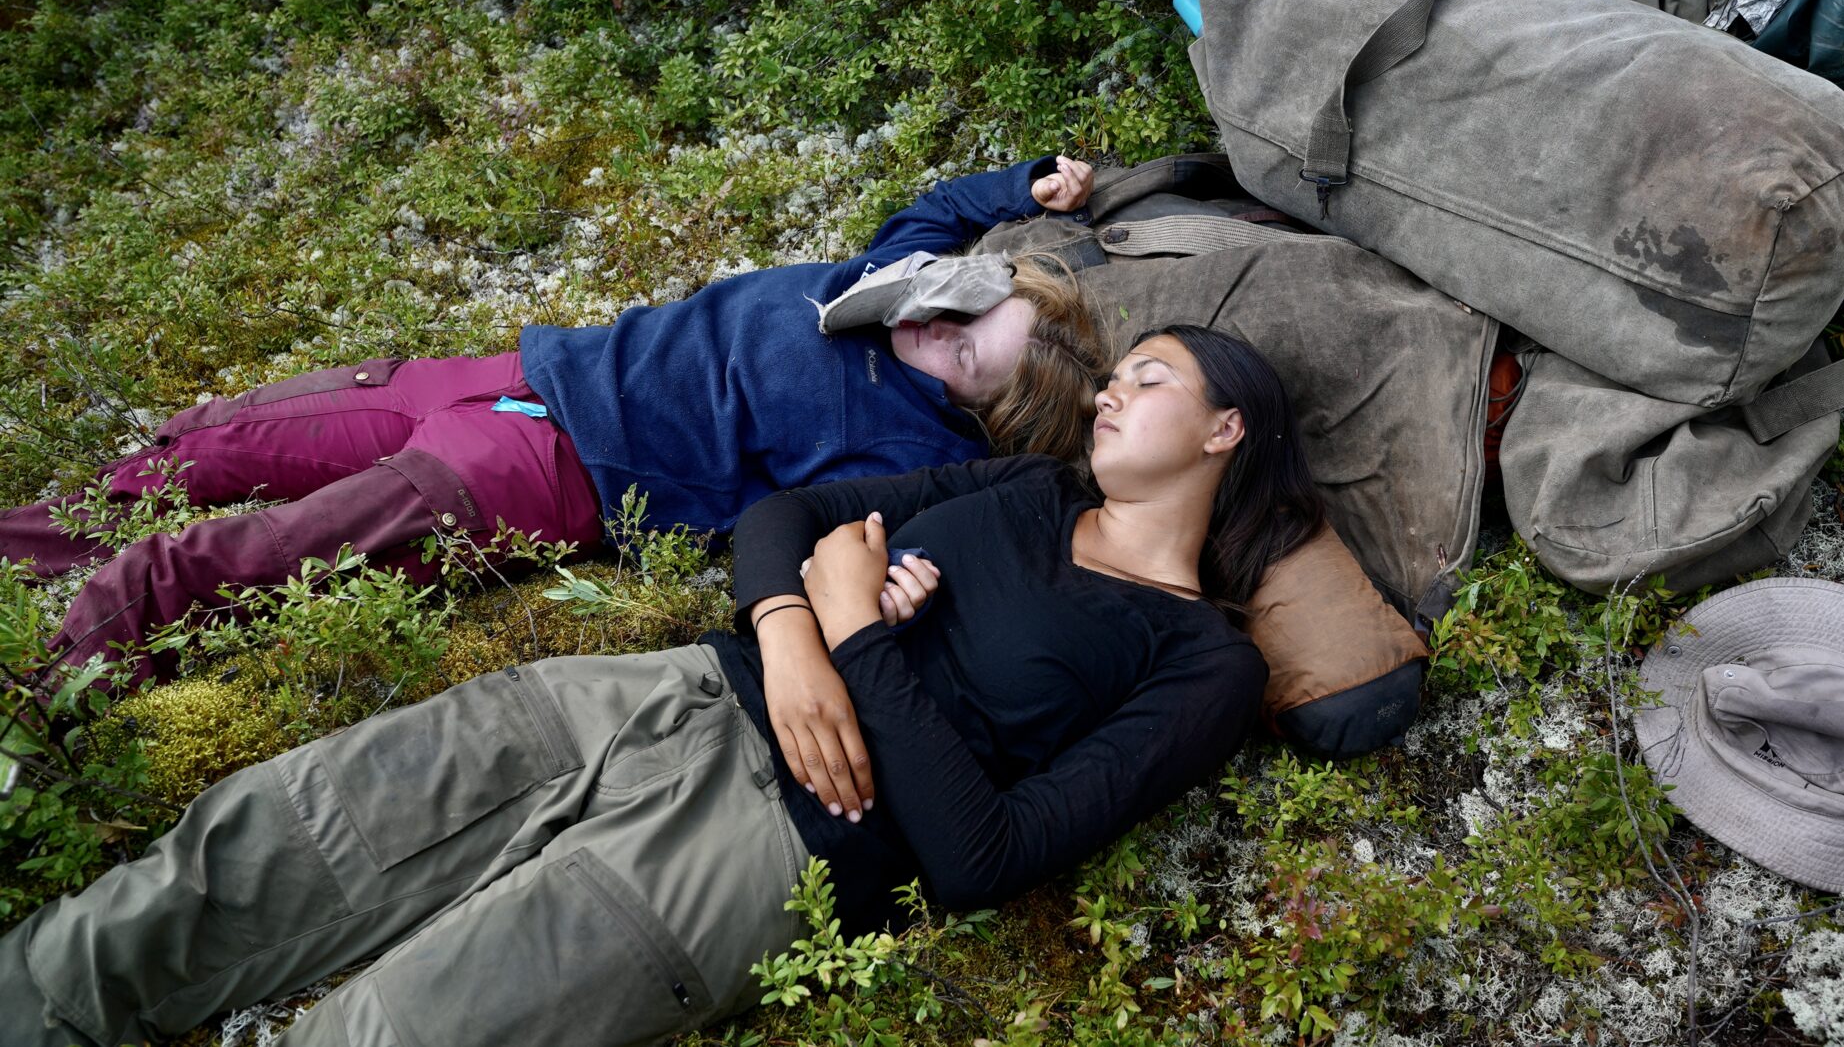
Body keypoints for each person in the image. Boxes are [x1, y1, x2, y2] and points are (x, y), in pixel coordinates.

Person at [0, 325, 1323, 1047]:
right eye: (1116, 370)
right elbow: (784, 510)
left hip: (757, 852)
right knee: (265, 845)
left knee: (389, 1029)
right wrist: (796, 620)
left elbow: (988, 854)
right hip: (665, 687)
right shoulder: (1023, 485)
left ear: (1224, 431)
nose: (1110, 393)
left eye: (1150, 379)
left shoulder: (1205, 662)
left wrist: (863, 630)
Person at [0, 156, 1106, 686]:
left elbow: (855, 539)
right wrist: (1029, 185)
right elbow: (935, 215)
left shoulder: (919, 450)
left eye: (967, 352)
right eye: (966, 307)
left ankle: (38, 689)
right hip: (501, 373)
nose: (937, 329)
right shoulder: (892, 283)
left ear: (983, 410)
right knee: (207, 446)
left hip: (546, 473)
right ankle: (20, 548)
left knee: (237, 557)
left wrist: (898, 577)